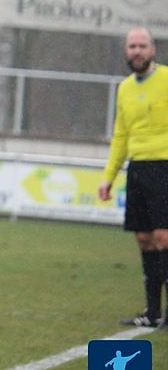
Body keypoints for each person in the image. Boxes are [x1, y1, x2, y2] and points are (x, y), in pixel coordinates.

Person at [99, 27, 168, 328]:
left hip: (165, 165)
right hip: (137, 169)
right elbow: (120, 136)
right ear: (126, 51)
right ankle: (152, 312)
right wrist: (109, 177)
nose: (137, 51)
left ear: (153, 49)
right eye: (132, 46)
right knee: (143, 239)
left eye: (142, 46)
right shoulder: (125, 88)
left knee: (163, 236)